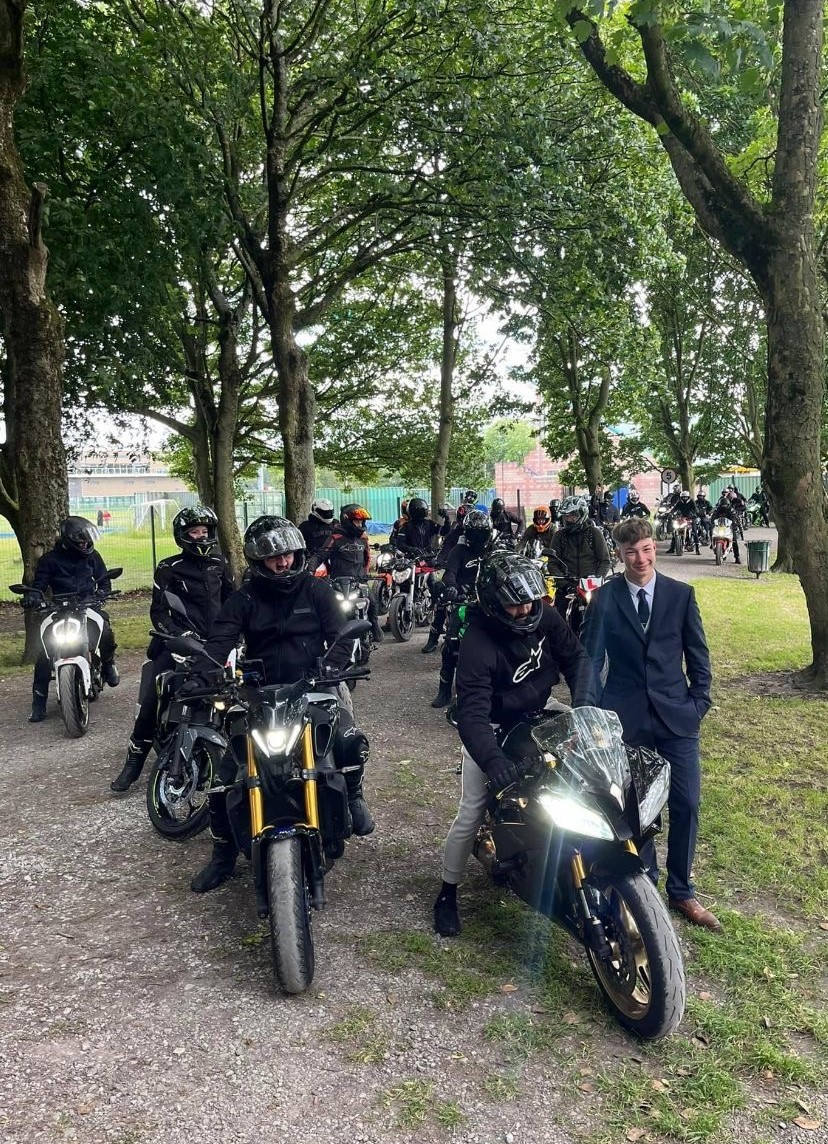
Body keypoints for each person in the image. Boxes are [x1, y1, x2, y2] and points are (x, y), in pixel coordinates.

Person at [187, 515, 375, 894]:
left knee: (349, 739)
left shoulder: (317, 591)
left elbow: (341, 633)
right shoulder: (244, 598)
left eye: (288, 554)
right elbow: (220, 640)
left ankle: (353, 794)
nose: (283, 562)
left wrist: (336, 665)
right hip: (260, 693)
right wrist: (201, 674)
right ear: (258, 561)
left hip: (316, 684)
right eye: (274, 558)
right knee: (225, 777)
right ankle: (222, 856)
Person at [433, 551, 596, 936]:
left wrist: (586, 708)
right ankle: (446, 892)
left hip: (541, 708)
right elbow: (470, 712)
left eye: (529, 600)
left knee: (587, 771)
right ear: (492, 602)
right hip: (492, 723)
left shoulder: (546, 615)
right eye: (514, 603)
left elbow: (577, 659)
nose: (524, 610)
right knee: (471, 810)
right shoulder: (477, 641)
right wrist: (491, 760)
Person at [580, 517, 721, 932]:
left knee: (687, 803)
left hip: (677, 718)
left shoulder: (681, 595)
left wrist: (698, 704)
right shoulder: (605, 599)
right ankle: (645, 886)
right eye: (630, 552)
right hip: (626, 721)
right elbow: (590, 661)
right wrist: (591, 714)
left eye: (646, 550)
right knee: (637, 809)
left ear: (654, 548)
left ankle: (682, 890)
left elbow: (698, 658)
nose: (640, 559)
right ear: (619, 554)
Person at [110, 505, 235, 792]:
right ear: (183, 536)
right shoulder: (168, 568)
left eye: (205, 531)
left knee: (239, 691)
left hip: (215, 645)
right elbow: (159, 612)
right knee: (153, 697)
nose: (201, 536)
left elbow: (233, 603)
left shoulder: (220, 563)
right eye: (194, 531)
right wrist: (180, 634)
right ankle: (134, 762)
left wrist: (232, 634)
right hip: (176, 643)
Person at [26, 517, 119, 723]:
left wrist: (103, 593)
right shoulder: (49, 560)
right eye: (81, 543)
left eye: (88, 542)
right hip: (59, 608)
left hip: (87, 605)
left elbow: (104, 580)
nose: (86, 545)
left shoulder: (93, 556)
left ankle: (108, 664)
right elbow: (39, 585)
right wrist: (33, 597)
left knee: (104, 629)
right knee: (44, 650)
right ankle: (38, 701)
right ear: (69, 541)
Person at [429, 509, 493, 705]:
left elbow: (505, 571)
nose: (478, 537)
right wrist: (452, 589)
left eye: (482, 533)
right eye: (474, 533)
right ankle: (444, 690)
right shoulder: (458, 551)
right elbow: (450, 573)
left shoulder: (494, 551)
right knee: (451, 644)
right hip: (465, 601)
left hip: (492, 601)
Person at [319, 504, 384, 642]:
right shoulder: (335, 538)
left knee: (372, 602)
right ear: (347, 520)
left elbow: (367, 558)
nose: (360, 524)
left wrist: (365, 574)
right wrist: (311, 570)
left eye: (361, 521)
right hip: (338, 583)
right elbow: (320, 556)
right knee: (327, 607)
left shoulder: (363, 539)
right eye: (357, 521)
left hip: (359, 581)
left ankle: (375, 626)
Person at [545, 495, 611, 621]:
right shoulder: (559, 536)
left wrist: (597, 578)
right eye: (566, 516)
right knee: (561, 622)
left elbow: (604, 560)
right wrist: (564, 584)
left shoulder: (594, 533)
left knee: (603, 620)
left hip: (591, 587)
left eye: (572, 515)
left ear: (582, 514)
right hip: (567, 588)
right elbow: (552, 563)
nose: (568, 519)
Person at [299, 498, 335, 564]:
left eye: (330, 512)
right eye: (325, 513)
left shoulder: (335, 524)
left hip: (334, 559)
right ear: (315, 511)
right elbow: (299, 545)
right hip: (314, 561)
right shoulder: (305, 526)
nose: (328, 515)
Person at [710, 495, 742, 563]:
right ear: (720, 505)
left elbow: (735, 517)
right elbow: (713, 517)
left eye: (725, 505)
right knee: (712, 532)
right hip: (719, 526)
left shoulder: (731, 510)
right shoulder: (717, 509)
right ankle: (712, 543)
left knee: (734, 541)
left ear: (728, 505)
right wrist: (712, 522)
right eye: (722, 505)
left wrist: (735, 524)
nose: (724, 506)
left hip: (728, 527)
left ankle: (737, 557)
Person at [667, 489, 699, 554]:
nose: (684, 498)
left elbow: (695, 509)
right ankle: (672, 548)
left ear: (688, 497)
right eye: (683, 497)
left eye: (686, 497)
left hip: (691, 518)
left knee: (694, 532)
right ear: (681, 497)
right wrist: (671, 513)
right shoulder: (679, 502)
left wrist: (695, 514)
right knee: (675, 531)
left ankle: (697, 549)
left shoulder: (691, 502)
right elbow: (674, 509)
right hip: (681, 519)